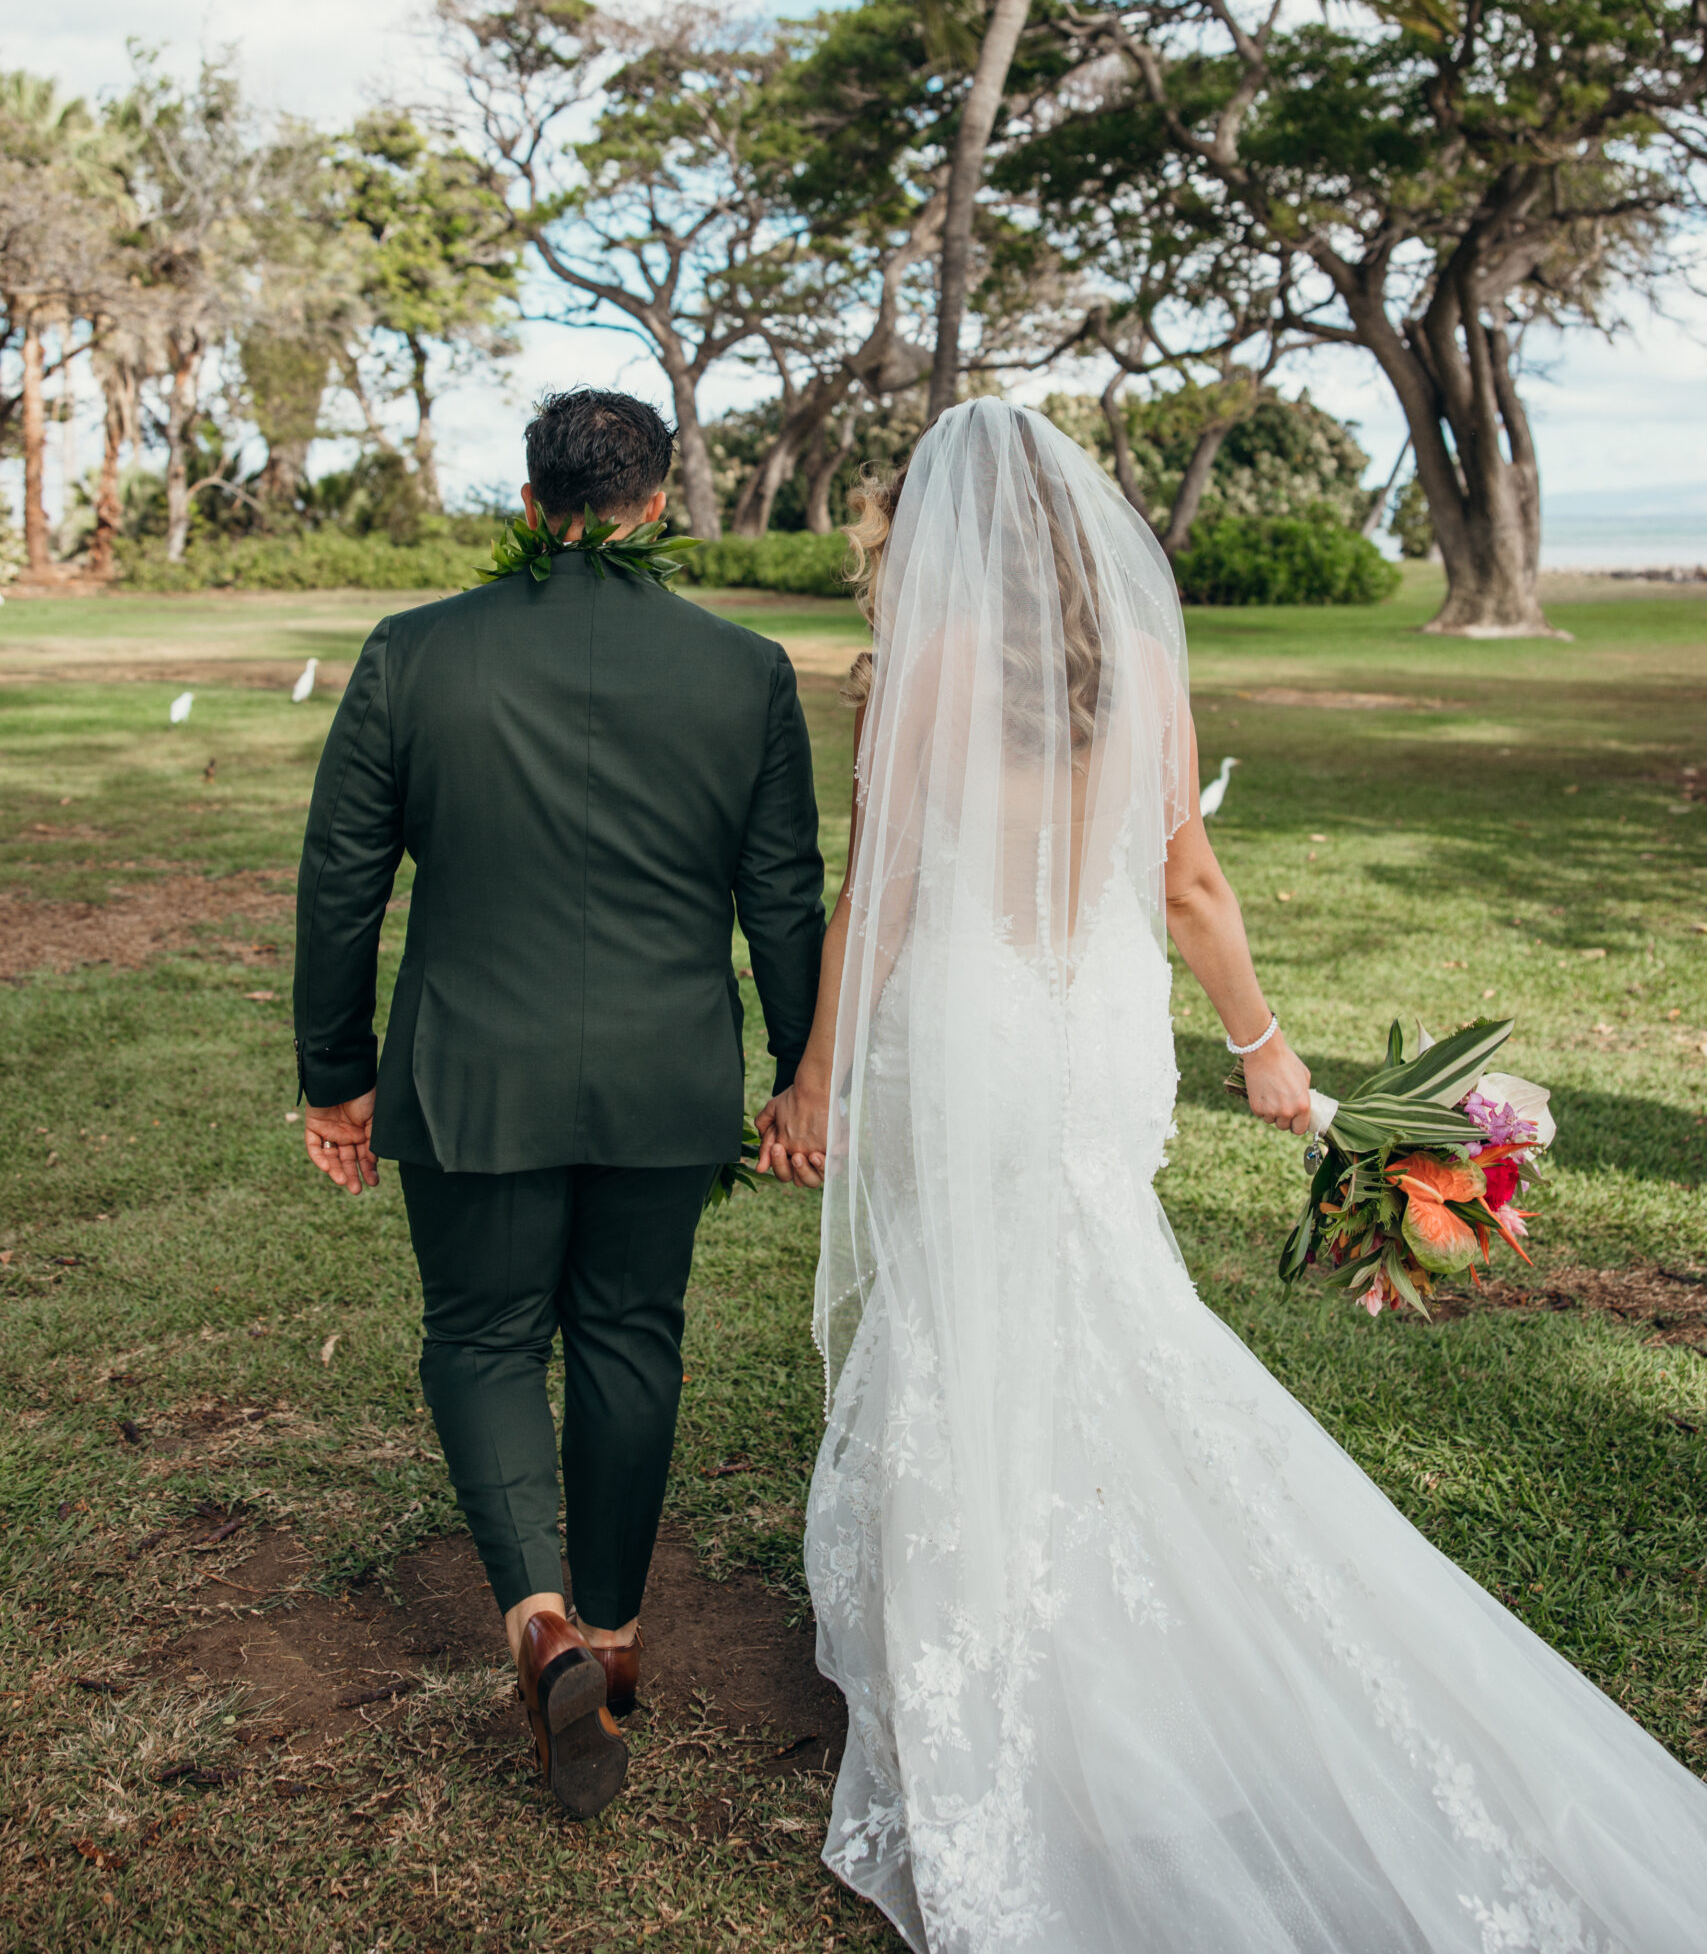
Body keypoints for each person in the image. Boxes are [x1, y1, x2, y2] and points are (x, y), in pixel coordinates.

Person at [757, 399, 1707, 1954]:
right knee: (1107, 1296)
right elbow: (1189, 884)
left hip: (972, 1021)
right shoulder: (1140, 667)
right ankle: (1099, 1603)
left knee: (968, 1315)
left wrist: (812, 1077)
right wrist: (1264, 1049)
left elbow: (885, 887)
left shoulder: (915, 670)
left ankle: (1006, 1631)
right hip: (1100, 1020)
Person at [293, 388, 824, 1819]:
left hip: (473, 1067)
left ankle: (536, 1624)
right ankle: (617, 1631)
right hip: (667, 1071)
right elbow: (783, 891)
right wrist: (796, 1068)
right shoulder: (745, 669)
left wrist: (332, 1075)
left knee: (479, 1333)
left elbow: (342, 879)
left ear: (530, 503)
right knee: (631, 1337)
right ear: (657, 507)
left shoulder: (414, 655)